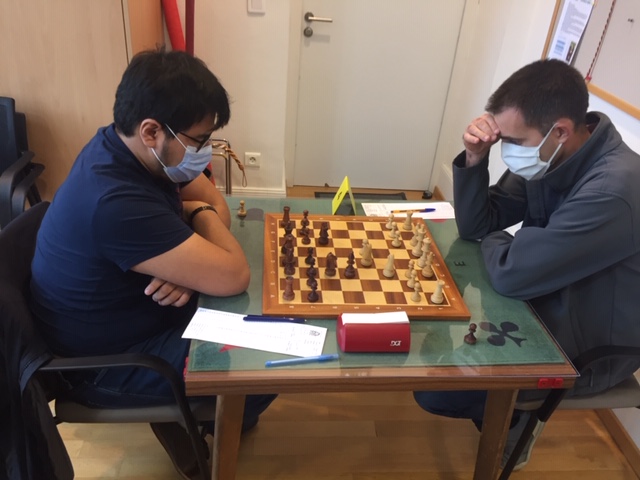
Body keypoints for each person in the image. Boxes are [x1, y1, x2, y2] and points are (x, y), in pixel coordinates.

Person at [29, 49, 276, 479]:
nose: (204, 153)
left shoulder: (125, 147)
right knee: (269, 356)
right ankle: (209, 415)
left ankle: (212, 412)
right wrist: (196, 219)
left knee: (255, 310)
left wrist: (188, 256)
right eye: (199, 140)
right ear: (151, 131)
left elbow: (215, 203)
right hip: (110, 364)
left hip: (136, 318)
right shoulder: (113, 200)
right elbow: (233, 274)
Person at [414, 59, 640, 470]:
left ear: (560, 131)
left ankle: (514, 422)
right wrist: (474, 157)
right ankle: (505, 415)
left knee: (436, 389)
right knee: (433, 359)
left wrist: (507, 246)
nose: (510, 151)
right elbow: (478, 225)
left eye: (515, 140)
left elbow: (511, 271)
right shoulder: (552, 155)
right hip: (539, 300)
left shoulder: (615, 190)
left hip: (587, 345)